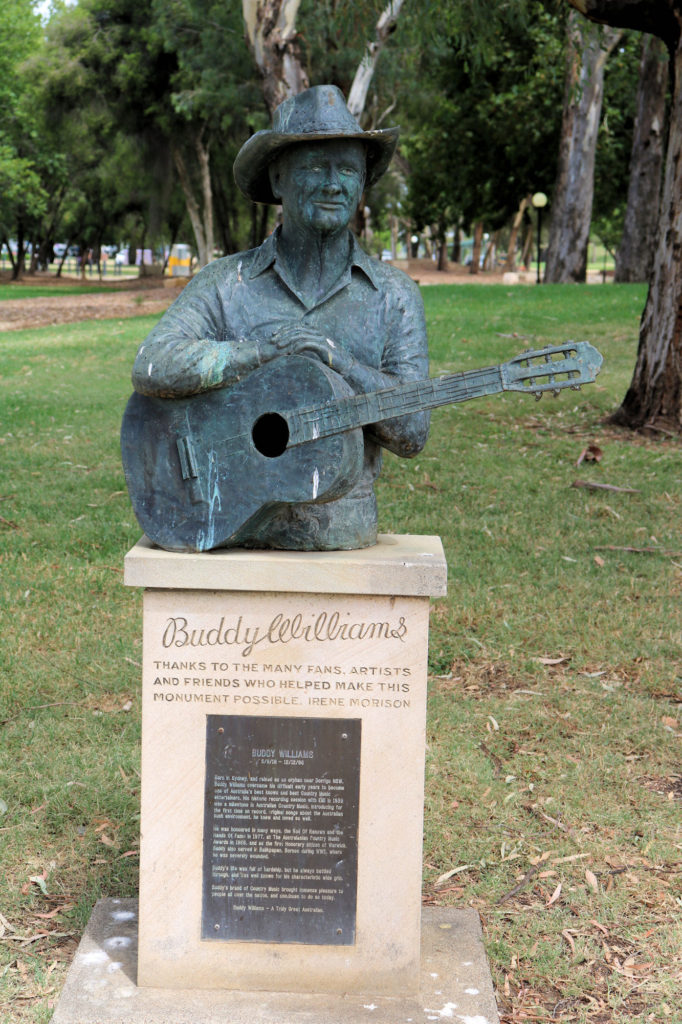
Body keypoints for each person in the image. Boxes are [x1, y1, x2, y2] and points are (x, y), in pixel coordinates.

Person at [131, 85, 429, 550]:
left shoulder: (394, 296)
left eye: (348, 169)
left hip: (343, 526)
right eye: (314, 167)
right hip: (228, 513)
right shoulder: (225, 282)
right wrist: (257, 354)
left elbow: (413, 432)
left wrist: (339, 363)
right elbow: (152, 363)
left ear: (362, 183)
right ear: (277, 180)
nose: (334, 183)